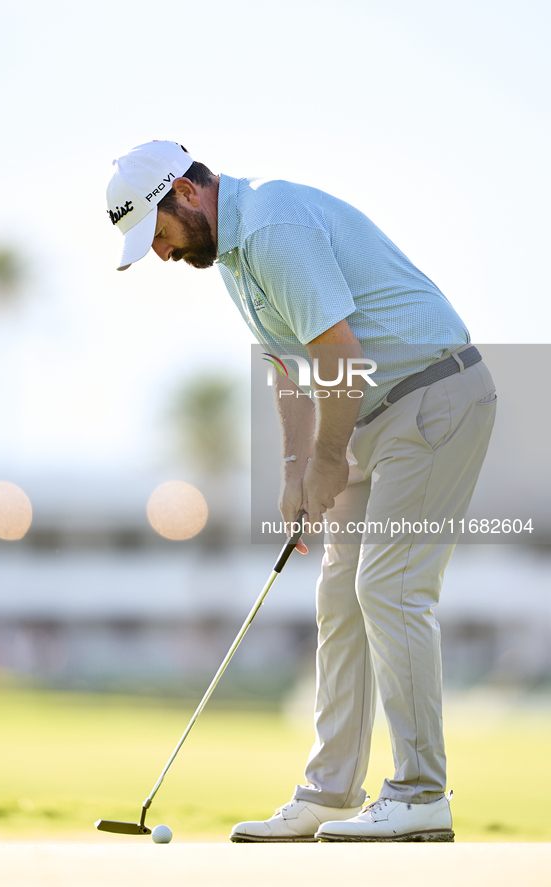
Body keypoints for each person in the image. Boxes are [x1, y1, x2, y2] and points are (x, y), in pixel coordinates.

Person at [106, 140, 496, 843]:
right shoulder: (231, 257)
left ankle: (419, 793)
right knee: (338, 595)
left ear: (187, 193)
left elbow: (338, 350)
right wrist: (295, 464)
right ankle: (330, 791)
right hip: (372, 415)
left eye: (157, 234)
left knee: (390, 586)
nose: (160, 254)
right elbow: (289, 364)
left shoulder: (274, 224)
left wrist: (326, 458)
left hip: (433, 396)